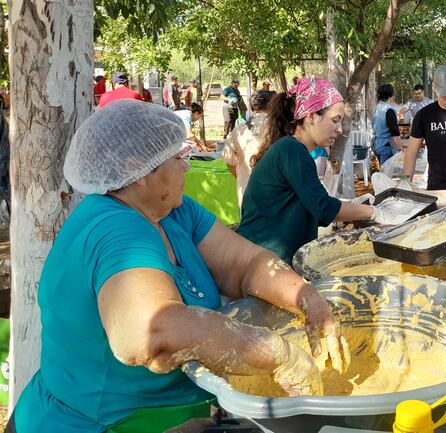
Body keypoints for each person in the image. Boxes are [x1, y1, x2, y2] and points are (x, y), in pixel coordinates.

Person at [8, 99, 348, 433]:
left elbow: (245, 264)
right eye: (176, 158)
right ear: (134, 170)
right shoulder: (113, 228)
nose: (186, 166)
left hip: (173, 411)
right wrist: (277, 353)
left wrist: (307, 298)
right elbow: (150, 334)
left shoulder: (175, 210)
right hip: (101, 421)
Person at [236, 77, 392, 264]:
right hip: (263, 262)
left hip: (267, 260)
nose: (340, 129)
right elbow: (324, 209)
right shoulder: (291, 150)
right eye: (335, 120)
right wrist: (373, 212)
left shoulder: (291, 149)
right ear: (311, 116)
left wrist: (353, 205)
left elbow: (310, 206)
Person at [222, 90, 273, 205]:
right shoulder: (279, 127)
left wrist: (243, 178)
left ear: (251, 107)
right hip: (274, 196)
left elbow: (229, 161)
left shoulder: (239, 129)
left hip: (246, 193)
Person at [372, 83, 403, 165]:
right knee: (385, 174)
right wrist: (400, 148)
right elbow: (394, 131)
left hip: (376, 144)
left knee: (383, 171)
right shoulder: (389, 110)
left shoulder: (376, 108)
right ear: (390, 96)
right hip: (386, 146)